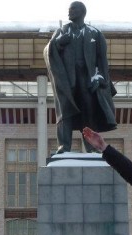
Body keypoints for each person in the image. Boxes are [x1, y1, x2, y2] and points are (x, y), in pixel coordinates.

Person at [44, 1, 117, 154]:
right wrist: (57, 44)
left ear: (82, 12)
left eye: (72, 9)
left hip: (87, 79)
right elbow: (48, 50)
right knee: (64, 112)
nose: (69, 12)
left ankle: (91, 147)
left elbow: (102, 60)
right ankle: (64, 146)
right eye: (69, 10)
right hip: (67, 80)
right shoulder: (62, 32)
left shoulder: (95, 34)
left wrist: (100, 78)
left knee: (88, 112)